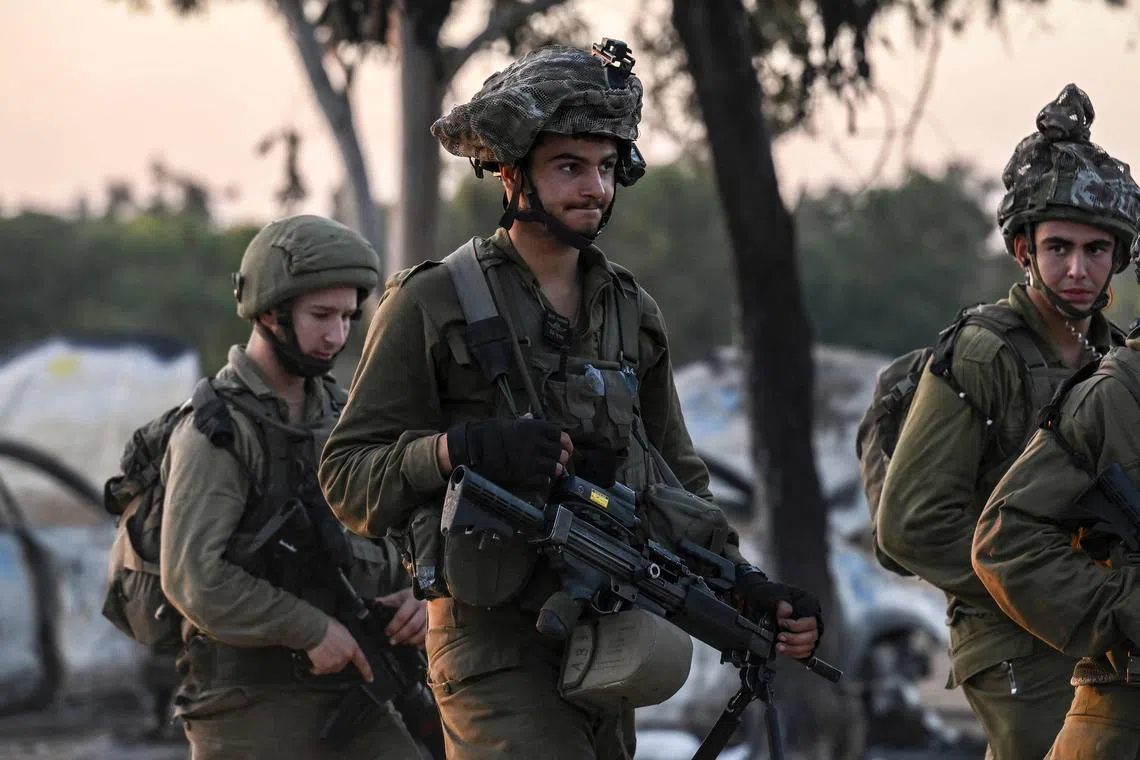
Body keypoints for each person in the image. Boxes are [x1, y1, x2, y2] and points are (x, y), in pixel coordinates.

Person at [319, 40, 822, 759]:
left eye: (607, 167)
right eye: (568, 166)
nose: (594, 188)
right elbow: (346, 476)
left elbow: (674, 476)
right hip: (489, 643)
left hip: (606, 645)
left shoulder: (629, 311)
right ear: (512, 171)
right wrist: (458, 450)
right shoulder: (434, 301)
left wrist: (744, 584)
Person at [875, 83, 1137, 760]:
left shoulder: (1112, 358)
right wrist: (1027, 579)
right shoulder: (986, 350)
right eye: (1058, 248)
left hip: (1092, 624)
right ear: (1023, 249)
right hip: (1012, 635)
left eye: (1096, 250)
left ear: (1120, 256)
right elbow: (911, 523)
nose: (1077, 269)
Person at [159, 214, 428, 759]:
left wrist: (416, 593)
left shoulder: (342, 414)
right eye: (320, 315)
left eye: (349, 316)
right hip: (247, 703)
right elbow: (193, 577)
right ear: (268, 311)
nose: (337, 334)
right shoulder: (218, 430)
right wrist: (308, 628)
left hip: (360, 683)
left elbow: (393, 526)